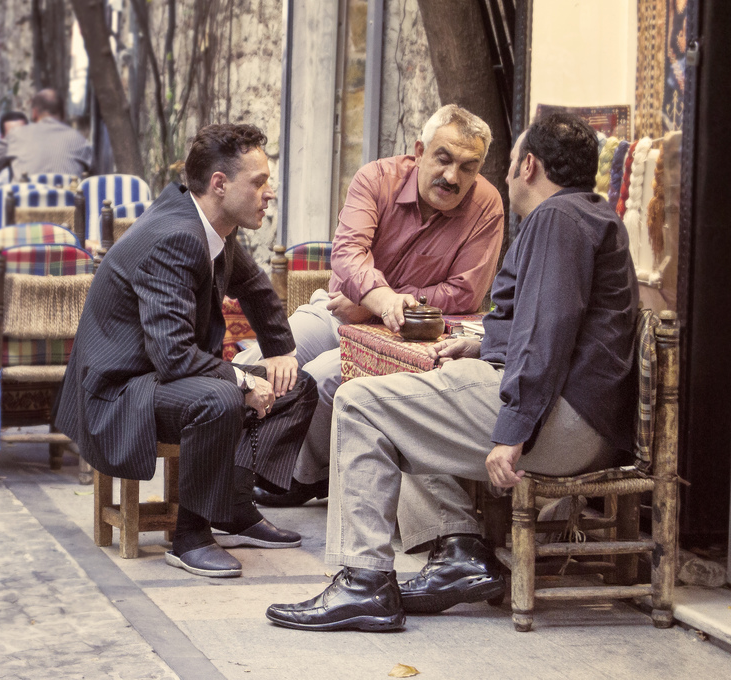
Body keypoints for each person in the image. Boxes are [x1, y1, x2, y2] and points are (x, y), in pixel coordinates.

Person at [265, 112, 639, 632]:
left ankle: (365, 583)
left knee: (359, 401)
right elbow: (548, 324)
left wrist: (513, 431)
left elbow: (545, 338)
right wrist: (482, 342)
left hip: (563, 423)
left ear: (527, 165)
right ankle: (459, 550)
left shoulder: (558, 220)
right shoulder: (586, 215)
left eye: (505, 164)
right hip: (582, 422)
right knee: (409, 399)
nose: (503, 177)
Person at [56, 123, 318, 579]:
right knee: (218, 399)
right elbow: (175, 357)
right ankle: (191, 536)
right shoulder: (176, 236)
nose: (269, 192)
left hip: (160, 375)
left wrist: (279, 354)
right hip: (120, 391)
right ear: (219, 184)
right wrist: (242, 380)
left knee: (297, 382)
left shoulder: (213, 224)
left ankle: (234, 508)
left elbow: (256, 288)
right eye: (258, 182)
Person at [241, 104, 504, 510]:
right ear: (419, 150)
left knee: (323, 379)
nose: (453, 177)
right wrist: (381, 299)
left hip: (413, 334)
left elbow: (465, 293)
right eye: (444, 158)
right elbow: (347, 255)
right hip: (340, 312)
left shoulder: (486, 204)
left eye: (468, 167)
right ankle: (226, 458)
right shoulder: (376, 178)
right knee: (266, 355)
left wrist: (381, 303)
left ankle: (301, 476)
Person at [0, 88, 93, 183]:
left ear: (34, 113)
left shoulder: (16, 136)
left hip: (23, 212)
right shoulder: (80, 140)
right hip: (68, 213)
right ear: (63, 113)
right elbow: (94, 179)